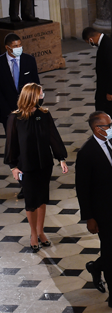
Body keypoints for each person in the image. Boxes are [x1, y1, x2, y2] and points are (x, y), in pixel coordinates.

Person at [75, 111, 112, 312]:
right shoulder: (86, 153)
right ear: (96, 129)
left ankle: (97, 267)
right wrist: (89, 217)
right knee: (110, 251)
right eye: (108, 125)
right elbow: (82, 188)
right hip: (101, 211)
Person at [3, 83, 67, 252]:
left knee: (42, 197)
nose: (43, 95)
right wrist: (13, 167)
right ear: (32, 95)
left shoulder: (44, 114)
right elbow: (11, 143)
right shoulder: (15, 118)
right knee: (31, 201)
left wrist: (61, 158)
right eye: (40, 93)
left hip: (44, 164)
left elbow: (53, 136)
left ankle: (41, 231)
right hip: (26, 166)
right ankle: (33, 233)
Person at [0, 33, 41, 199]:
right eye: (15, 46)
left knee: (31, 147)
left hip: (28, 112)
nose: (18, 48)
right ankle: (24, 184)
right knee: (16, 149)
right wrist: (8, 113)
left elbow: (36, 86)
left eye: (19, 45)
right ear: (7, 47)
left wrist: (34, 107)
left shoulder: (29, 60)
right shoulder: (0, 63)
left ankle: (36, 180)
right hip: (9, 115)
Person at [82, 27, 112, 140]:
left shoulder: (108, 46)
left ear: (91, 38)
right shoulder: (106, 43)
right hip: (107, 89)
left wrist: (110, 91)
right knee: (106, 113)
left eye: (88, 42)